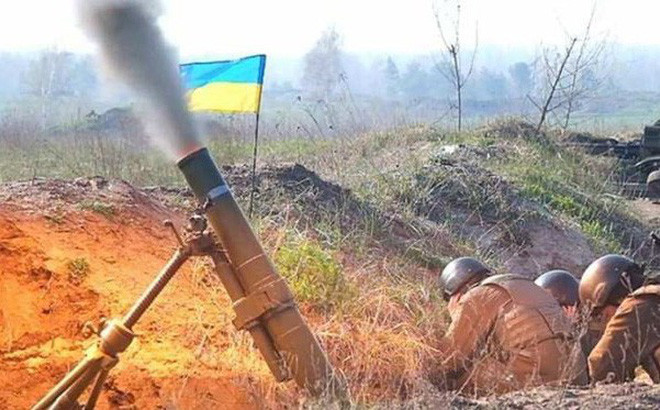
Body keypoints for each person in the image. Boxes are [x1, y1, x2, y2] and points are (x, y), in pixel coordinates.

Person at [430, 257, 588, 394]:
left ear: (456, 294)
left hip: (542, 381)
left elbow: (450, 358)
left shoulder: (477, 295)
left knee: (462, 377)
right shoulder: (526, 286)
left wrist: (456, 315)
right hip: (577, 378)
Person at [579, 254, 660, 382]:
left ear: (607, 295)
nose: (605, 320)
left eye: (601, 314)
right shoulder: (653, 297)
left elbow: (601, 366)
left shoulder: (639, 305)